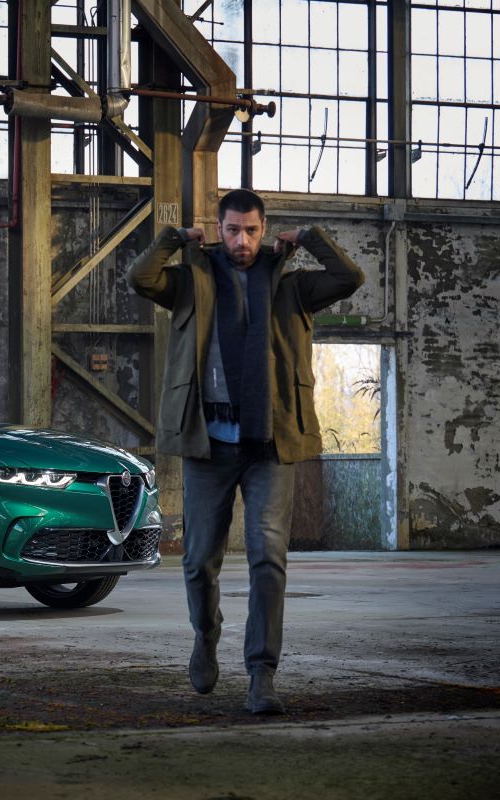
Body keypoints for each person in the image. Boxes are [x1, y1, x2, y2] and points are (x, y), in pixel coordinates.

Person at [128, 188, 363, 714]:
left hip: (269, 445)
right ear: (219, 228)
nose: (242, 241)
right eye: (233, 230)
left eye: (252, 230)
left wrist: (310, 238)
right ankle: (206, 635)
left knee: (268, 558)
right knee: (198, 561)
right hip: (208, 443)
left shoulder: (293, 286)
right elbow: (140, 279)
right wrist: (174, 239)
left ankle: (262, 674)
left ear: (264, 228)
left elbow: (350, 277)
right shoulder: (192, 281)